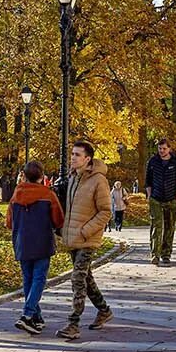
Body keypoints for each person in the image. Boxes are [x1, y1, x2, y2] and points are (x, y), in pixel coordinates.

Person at [57, 139, 114, 341]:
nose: (73, 157)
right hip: (73, 237)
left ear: (87, 159)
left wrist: (85, 231)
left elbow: (106, 212)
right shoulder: (73, 177)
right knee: (87, 278)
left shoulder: (99, 180)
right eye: (72, 154)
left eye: (77, 155)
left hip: (88, 238)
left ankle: (73, 323)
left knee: (77, 278)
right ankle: (104, 310)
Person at [6, 160, 63, 335]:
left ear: (24, 175)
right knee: (39, 278)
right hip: (42, 241)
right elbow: (58, 219)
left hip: (22, 241)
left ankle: (36, 317)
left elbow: (9, 222)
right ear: (41, 176)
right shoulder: (48, 195)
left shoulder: (16, 195)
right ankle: (27, 314)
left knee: (28, 278)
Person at [143, 137, 176, 267]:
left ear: (169, 149)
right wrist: (149, 195)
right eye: (160, 149)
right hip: (156, 198)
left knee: (169, 227)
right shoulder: (153, 161)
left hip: (171, 198)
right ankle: (155, 255)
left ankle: (166, 254)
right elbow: (148, 180)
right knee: (156, 227)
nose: (162, 151)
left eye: (164, 149)